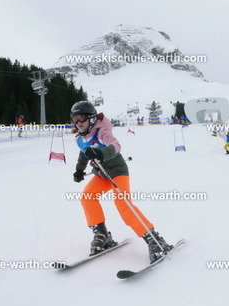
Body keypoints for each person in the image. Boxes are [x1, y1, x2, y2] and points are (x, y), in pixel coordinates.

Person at [70, 101, 173, 263]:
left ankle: (155, 240)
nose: (78, 123)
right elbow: (84, 154)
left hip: (118, 171)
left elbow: (116, 145)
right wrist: (79, 170)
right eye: (74, 119)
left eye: (81, 118)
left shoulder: (102, 131)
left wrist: (101, 153)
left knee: (122, 203)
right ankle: (102, 234)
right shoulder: (80, 139)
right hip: (102, 175)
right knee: (87, 197)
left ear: (91, 118)